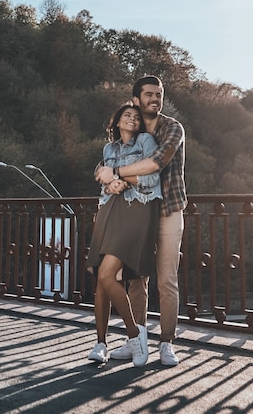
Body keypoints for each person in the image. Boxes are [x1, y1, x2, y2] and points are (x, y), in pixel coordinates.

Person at [96, 75, 186, 366]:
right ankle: (137, 341)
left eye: (158, 94)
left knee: (167, 279)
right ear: (136, 99)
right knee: (136, 279)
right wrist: (103, 175)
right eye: (148, 94)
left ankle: (167, 343)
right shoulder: (131, 130)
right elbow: (105, 162)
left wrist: (117, 174)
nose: (154, 99)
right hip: (138, 212)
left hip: (168, 210)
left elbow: (157, 162)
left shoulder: (172, 128)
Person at [87, 102, 163, 367]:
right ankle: (100, 343)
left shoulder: (145, 141)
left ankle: (134, 335)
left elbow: (152, 178)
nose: (132, 119)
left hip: (136, 208)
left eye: (136, 117)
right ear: (117, 121)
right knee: (101, 279)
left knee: (108, 273)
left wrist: (119, 177)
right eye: (126, 115)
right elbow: (103, 184)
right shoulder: (109, 148)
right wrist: (109, 184)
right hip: (109, 209)